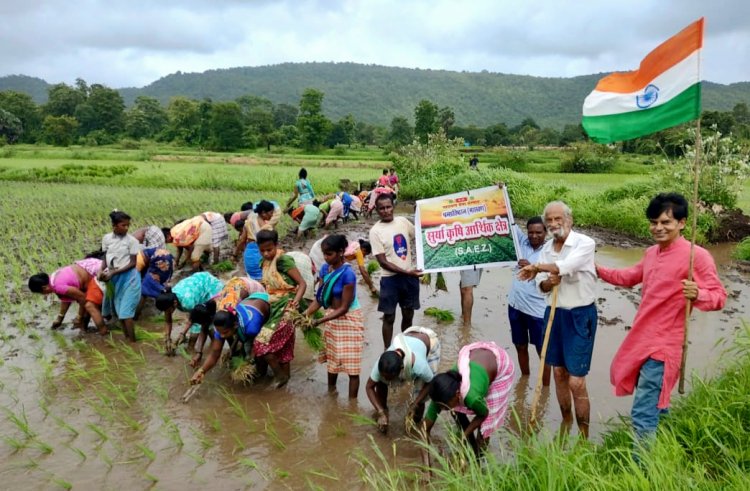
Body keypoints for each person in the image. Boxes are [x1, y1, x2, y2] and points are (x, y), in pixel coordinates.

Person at [596, 193, 726, 443]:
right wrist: (597, 270)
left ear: (682, 223)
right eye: (654, 222)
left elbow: (719, 297)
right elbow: (629, 276)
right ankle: (666, 448)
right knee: (657, 405)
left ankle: (641, 472)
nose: (658, 228)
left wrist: (698, 293)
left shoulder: (695, 256)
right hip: (642, 338)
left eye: (666, 222)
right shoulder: (652, 253)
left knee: (643, 412)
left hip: (664, 346)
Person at [518, 201, 597, 438]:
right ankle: (566, 423)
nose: (553, 224)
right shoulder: (547, 249)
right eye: (549, 220)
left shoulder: (585, 243)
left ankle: (583, 435)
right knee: (559, 374)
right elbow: (539, 283)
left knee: (576, 382)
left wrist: (536, 267)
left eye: (558, 219)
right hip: (553, 315)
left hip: (580, 315)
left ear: (569, 220)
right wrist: (545, 282)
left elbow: (566, 266)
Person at [422, 342, 515, 462]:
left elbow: (484, 414)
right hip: (478, 358)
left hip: (501, 367)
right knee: (455, 410)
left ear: (457, 394)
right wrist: (427, 469)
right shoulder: (441, 393)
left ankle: (478, 461)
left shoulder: (472, 397)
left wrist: (464, 434)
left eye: (445, 406)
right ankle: (469, 444)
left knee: (485, 429)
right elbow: (424, 431)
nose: (443, 409)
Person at [304, 235, 365, 398]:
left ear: (340, 252)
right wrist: (305, 314)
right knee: (332, 360)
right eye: (324, 253)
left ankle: (352, 404)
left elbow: (344, 308)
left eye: (329, 254)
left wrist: (318, 321)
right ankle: (331, 393)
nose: (325, 257)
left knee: (352, 367)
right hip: (331, 316)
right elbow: (321, 298)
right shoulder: (325, 269)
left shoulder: (348, 274)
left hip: (349, 319)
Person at [369, 193, 421, 348]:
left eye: (388, 207)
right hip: (390, 279)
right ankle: (387, 349)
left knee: (408, 314)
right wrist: (407, 272)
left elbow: (418, 236)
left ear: (393, 206)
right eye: (382, 208)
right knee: (389, 317)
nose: (386, 210)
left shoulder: (403, 222)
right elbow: (383, 262)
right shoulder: (375, 231)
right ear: (377, 210)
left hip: (409, 278)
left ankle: (404, 346)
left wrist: (420, 214)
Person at [366, 326, 441, 433]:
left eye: (390, 378)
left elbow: (431, 383)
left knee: (420, 396)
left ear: (401, 370)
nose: (386, 379)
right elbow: (369, 387)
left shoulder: (419, 365)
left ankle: (414, 428)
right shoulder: (382, 362)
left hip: (430, 342)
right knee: (381, 382)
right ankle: (384, 416)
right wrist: (381, 412)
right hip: (409, 336)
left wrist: (415, 403)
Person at [257, 229, 307, 387]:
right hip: (273, 304)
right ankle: (285, 382)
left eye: (269, 249)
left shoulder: (283, 260)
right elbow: (266, 284)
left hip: (287, 306)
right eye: (262, 250)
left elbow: (302, 284)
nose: (266, 253)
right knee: (284, 345)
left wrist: (295, 303)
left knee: (261, 343)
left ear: (276, 245)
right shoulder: (263, 263)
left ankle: (281, 377)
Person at [189, 293, 272, 385]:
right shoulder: (221, 329)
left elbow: (257, 347)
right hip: (251, 303)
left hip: (267, 304)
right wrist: (201, 371)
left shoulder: (251, 328)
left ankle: (262, 378)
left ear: (235, 326)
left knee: (262, 354)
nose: (222, 336)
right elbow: (215, 353)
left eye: (225, 332)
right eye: (219, 332)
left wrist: (249, 361)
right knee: (245, 346)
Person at [508, 216, 551, 386]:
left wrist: (533, 266)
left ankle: (544, 388)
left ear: (545, 232)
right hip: (515, 305)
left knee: (543, 352)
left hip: (538, 311)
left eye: (538, 233)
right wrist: (500, 190)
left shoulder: (550, 251)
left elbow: (552, 278)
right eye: (531, 232)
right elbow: (509, 221)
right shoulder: (521, 243)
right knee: (520, 346)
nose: (534, 236)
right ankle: (524, 380)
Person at [28, 257, 106, 334]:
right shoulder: (53, 278)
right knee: (88, 305)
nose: (43, 295)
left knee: (90, 305)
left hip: (98, 273)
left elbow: (83, 298)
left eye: (41, 293)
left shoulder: (57, 286)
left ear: (44, 288)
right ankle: (85, 328)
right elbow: (65, 299)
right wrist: (60, 318)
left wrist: (79, 317)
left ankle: (103, 332)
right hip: (95, 265)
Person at [155, 272, 224, 356]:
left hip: (210, 286)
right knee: (206, 323)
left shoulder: (187, 302)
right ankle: (213, 341)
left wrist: (182, 334)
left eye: (168, 310)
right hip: (198, 284)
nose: (167, 313)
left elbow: (193, 320)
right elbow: (168, 321)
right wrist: (167, 338)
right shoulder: (169, 298)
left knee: (203, 320)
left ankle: (193, 348)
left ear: (175, 303)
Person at [100, 210, 142, 342]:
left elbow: (133, 263)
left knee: (125, 314)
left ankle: (133, 343)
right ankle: (128, 339)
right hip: (115, 280)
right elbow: (105, 258)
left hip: (129, 279)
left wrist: (113, 272)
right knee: (119, 314)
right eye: (123, 225)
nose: (126, 228)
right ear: (114, 226)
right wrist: (101, 270)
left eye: (127, 225)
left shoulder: (132, 241)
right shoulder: (106, 239)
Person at [309, 237, 377, 296]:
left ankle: (313, 291)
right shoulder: (358, 251)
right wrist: (371, 286)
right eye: (365, 254)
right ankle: (318, 293)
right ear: (364, 249)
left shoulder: (354, 245)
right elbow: (363, 271)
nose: (364, 256)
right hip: (322, 250)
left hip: (321, 247)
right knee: (324, 273)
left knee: (321, 275)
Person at [234, 200, 278, 280]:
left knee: (252, 280)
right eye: (271, 213)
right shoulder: (268, 228)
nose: (272, 215)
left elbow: (242, 241)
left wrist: (235, 254)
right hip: (263, 254)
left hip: (249, 254)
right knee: (265, 279)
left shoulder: (249, 222)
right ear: (264, 213)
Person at [135, 247, 174, 316]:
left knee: (145, 288)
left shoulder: (136, 263)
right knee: (156, 284)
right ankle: (167, 305)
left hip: (160, 260)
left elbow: (137, 279)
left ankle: (136, 315)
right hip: (167, 257)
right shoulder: (138, 254)